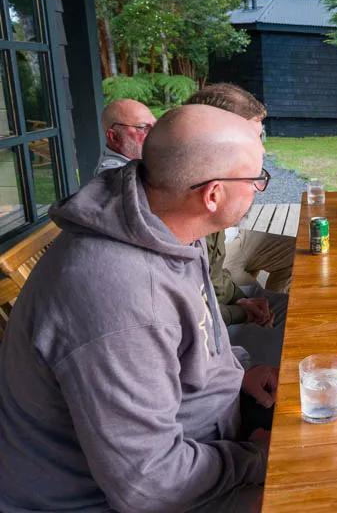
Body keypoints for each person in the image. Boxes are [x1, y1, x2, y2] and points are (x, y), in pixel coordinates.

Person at [0, 105, 278, 511]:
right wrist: (255, 460)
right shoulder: (122, 300)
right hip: (113, 498)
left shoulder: (166, 220)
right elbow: (148, 486)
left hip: (200, 437)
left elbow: (199, 334)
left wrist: (240, 376)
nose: (258, 188)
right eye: (255, 179)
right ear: (213, 194)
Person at [185, 83, 293, 367]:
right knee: (295, 351)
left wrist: (241, 301)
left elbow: (215, 276)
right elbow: (195, 315)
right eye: (253, 137)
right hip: (210, 346)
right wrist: (242, 312)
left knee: (304, 314)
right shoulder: (182, 220)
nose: (261, 149)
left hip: (226, 309)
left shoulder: (211, 205)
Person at [94, 98, 156, 174]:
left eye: (155, 125)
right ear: (114, 137)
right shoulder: (113, 176)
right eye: (142, 127)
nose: (154, 132)